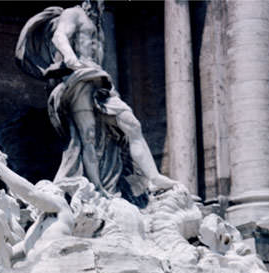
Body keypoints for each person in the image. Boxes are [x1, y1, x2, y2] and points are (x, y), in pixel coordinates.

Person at [16, 1, 174, 198]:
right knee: (88, 136)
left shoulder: (98, 21)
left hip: (99, 80)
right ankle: (97, 189)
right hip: (79, 77)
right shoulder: (73, 13)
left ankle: (154, 176)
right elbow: (59, 36)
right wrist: (70, 56)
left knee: (132, 124)